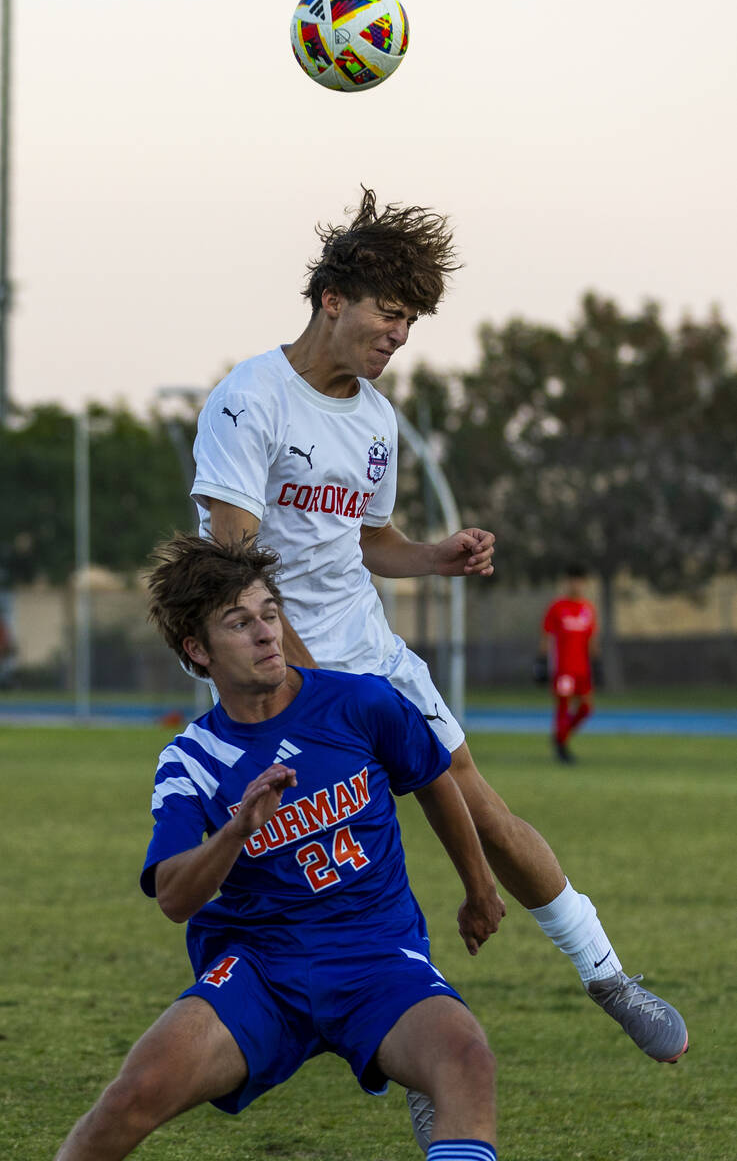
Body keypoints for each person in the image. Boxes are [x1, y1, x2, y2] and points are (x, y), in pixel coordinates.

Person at [190, 187, 687, 1143]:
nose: (399, 334)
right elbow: (234, 560)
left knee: (477, 807)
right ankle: (412, 1042)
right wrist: (302, 686)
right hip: (275, 669)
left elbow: (366, 539)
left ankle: (606, 974)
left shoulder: (376, 420)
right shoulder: (248, 399)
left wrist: (433, 556)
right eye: (388, 311)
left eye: (411, 320)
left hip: (373, 652)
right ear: (332, 297)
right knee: (339, 875)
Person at [54, 534, 499, 1161]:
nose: (267, 633)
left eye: (270, 612)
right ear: (198, 651)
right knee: (133, 1093)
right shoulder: (192, 760)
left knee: (467, 1057)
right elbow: (175, 897)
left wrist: (479, 890)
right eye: (240, 623)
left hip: (375, 955)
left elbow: (434, 781)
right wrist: (236, 831)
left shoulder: (361, 702)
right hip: (261, 970)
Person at [535, 565, 602, 764]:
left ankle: (560, 737)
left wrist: (597, 664)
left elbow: (592, 639)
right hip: (563, 670)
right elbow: (546, 636)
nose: (576, 584)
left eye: (580, 580)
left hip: (582, 669)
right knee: (563, 708)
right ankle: (562, 747)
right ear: (567, 582)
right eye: (573, 580)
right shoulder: (557, 607)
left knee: (586, 708)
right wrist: (540, 663)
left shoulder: (587, 609)